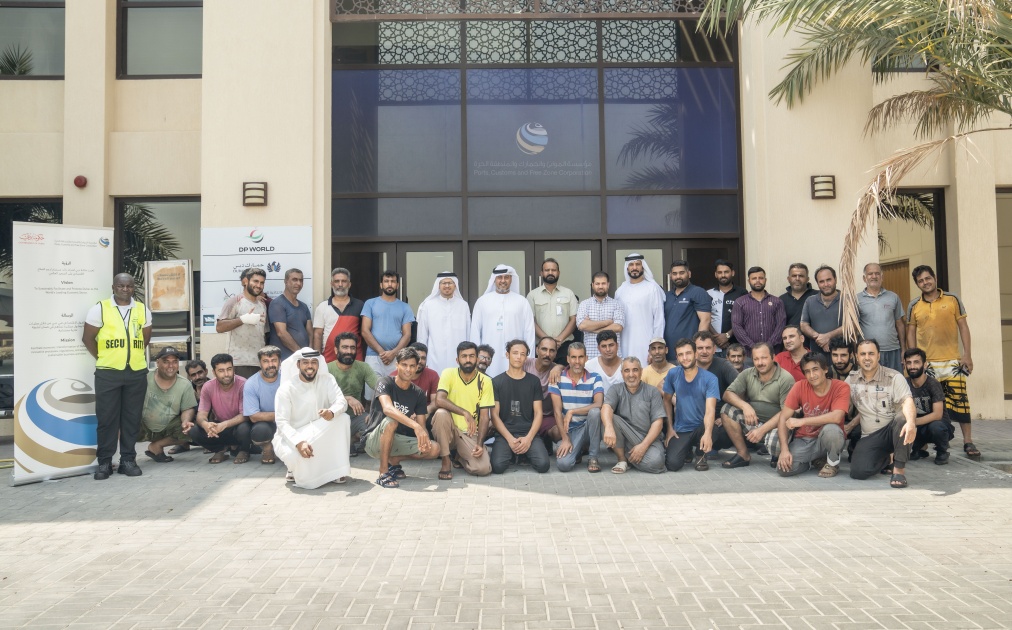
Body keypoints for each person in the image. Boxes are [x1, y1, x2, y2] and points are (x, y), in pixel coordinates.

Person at [82, 273, 152, 480]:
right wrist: (105, 357)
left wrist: (130, 357)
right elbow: (87, 339)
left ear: (133, 288)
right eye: (121, 286)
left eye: (129, 286)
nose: (125, 289)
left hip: (136, 372)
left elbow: (145, 339)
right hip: (108, 373)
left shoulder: (142, 310)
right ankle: (104, 462)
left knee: (132, 419)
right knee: (107, 420)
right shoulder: (100, 309)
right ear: (113, 287)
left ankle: (128, 461)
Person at [905, 265, 977, 459]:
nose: (925, 283)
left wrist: (967, 355)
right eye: (920, 281)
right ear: (917, 284)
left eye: (927, 278)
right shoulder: (914, 305)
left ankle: (968, 441)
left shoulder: (953, 299)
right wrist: (914, 360)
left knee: (961, 402)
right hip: (927, 365)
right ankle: (923, 445)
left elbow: (963, 326)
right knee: (925, 405)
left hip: (953, 362)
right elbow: (910, 332)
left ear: (934, 278)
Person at [662, 338, 749, 471]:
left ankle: (700, 454)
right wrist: (669, 428)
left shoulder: (710, 378)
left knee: (713, 430)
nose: (685, 358)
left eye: (688, 353)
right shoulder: (673, 374)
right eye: (680, 355)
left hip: (702, 426)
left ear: (695, 354)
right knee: (672, 465)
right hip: (681, 428)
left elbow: (710, 410)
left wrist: (707, 434)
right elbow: (666, 400)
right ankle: (687, 450)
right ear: (677, 358)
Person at [272, 348, 351, 489]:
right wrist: (298, 442)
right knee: (292, 456)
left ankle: (336, 471)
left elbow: (342, 402)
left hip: (319, 429)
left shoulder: (327, 380)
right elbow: (282, 423)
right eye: (305, 363)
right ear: (298, 365)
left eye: (314, 362)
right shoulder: (286, 389)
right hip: (293, 436)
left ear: (318, 364)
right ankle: (293, 469)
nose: (310, 366)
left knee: (343, 418)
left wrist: (332, 412)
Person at [365, 347, 440, 488]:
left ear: (417, 367)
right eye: (404, 365)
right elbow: (387, 409)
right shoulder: (385, 382)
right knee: (391, 421)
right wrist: (415, 425)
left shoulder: (418, 393)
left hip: (397, 440)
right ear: (397, 365)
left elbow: (422, 426)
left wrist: (423, 439)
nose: (408, 369)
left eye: (412, 366)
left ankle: (394, 460)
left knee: (434, 448)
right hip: (374, 440)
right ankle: (383, 473)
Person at [846, 339, 917, 487]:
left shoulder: (894, 377)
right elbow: (840, 402)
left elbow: (907, 401)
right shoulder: (851, 380)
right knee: (858, 472)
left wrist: (911, 422)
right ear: (856, 357)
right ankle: (887, 458)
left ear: (878, 356)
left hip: (893, 430)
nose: (867, 358)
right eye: (863, 354)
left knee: (903, 419)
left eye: (871, 353)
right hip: (870, 436)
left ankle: (898, 470)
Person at [774, 352, 848, 478]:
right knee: (784, 470)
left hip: (827, 439)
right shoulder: (799, 386)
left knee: (832, 430)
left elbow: (837, 417)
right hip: (805, 439)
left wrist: (802, 421)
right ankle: (812, 461)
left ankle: (832, 463)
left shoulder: (841, 387)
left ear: (825, 369)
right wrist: (784, 450)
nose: (812, 375)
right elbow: (783, 417)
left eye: (815, 369)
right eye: (807, 371)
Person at [430, 342, 495, 477]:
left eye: (471, 356)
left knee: (483, 469)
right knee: (441, 413)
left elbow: (484, 416)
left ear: (476, 359)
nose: (468, 360)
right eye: (464, 356)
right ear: (457, 360)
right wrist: (464, 412)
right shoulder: (448, 373)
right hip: (449, 430)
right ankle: (446, 460)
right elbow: (439, 400)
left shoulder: (486, 381)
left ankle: (459, 456)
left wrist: (479, 444)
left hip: (470, 433)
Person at [720, 342, 795, 458]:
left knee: (775, 447)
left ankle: (776, 455)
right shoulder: (747, 373)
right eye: (756, 359)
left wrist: (761, 430)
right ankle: (743, 454)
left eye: (764, 358)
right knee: (726, 410)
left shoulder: (786, 378)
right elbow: (727, 394)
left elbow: (786, 412)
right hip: (754, 421)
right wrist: (745, 406)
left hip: (778, 425)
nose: (760, 363)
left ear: (773, 357)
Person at [490, 340, 551, 474]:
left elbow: (538, 413)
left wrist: (528, 439)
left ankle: (523, 453)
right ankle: (515, 453)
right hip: (505, 433)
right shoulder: (496, 381)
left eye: (522, 354)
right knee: (498, 466)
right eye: (515, 353)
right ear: (507, 355)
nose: (518, 357)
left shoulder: (534, 381)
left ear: (526, 358)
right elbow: (494, 415)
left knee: (543, 465)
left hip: (528, 432)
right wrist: (510, 439)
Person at [601, 357, 667, 474]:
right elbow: (607, 407)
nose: (631, 375)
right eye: (627, 370)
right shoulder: (616, 389)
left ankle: (630, 457)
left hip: (648, 439)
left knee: (657, 462)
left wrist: (643, 447)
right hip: (625, 436)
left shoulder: (652, 391)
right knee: (609, 418)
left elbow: (658, 423)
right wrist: (609, 428)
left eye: (635, 370)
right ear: (622, 373)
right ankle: (622, 459)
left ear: (641, 371)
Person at [549, 342, 605, 473]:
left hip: (588, 427)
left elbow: (599, 404)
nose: (577, 361)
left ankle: (593, 457)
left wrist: (572, 411)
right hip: (570, 430)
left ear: (586, 358)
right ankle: (578, 449)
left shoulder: (595, 378)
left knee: (595, 412)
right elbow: (557, 412)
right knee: (564, 465)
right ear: (568, 359)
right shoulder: (557, 379)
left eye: (581, 357)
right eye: (573, 357)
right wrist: (565, 439)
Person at [470, 265, 535, 376]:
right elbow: (475, 332)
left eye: (506, 277)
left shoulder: (522, 302)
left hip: (516, 356)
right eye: (499, 277)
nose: (503, 280)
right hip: (488, 357)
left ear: (511, 279)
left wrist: (528, 358)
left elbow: (529, 332)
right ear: (494, 279)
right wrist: (476, 356)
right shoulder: (482, 301)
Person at [139, 347, 196, 463]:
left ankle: (157, 446)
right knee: (121, 421)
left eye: (174, 362)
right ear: (157, 363)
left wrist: (186, 421)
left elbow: (188, 408)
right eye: (166, 362)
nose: (171, 366)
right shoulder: (144, 378)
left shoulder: (185, 384)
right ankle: (127, 456)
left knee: (192, 429)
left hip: (168, 428)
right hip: (142, 426)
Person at [188, 354, 248, 464]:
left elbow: (245, 415)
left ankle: (243, 450)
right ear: (214, 372)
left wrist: (224, 424)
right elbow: (201, 414)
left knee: (245, 428)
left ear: (233, 369)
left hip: (238, 426)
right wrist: (206, 425)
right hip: (219, 427)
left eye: (229, 369)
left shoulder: (243, 384)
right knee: (194, 430)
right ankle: (220, 450)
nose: (226, 374)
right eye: (221, 371)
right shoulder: (208, 386)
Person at [904, 347, 954, 465]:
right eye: (909, 363)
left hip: (938, 425)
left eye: (916, 362)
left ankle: (942, 451)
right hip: (918, 426)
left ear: (925, 365)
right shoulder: (904, 383)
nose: (912, 366)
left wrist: (912, 422)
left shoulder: (933, 384)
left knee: (936, 427)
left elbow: (937, 415)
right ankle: (918, 449)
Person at [215, 266, 268, 378]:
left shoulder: (262, 305)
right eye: (255, 281)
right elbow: (219, 327)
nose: (259, 285)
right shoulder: (234, 301)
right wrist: (242, 320)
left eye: (262, 283)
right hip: (239, 362)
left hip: (258, 362)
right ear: (245, 281)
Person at [362, 270, 414, 380]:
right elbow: (365, 331)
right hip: (374, 356)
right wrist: (382, 352)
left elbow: (407, 335)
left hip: (397, 358)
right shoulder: (370, 303)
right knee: (373, 389)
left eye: (393, 281)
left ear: (397, 285)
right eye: (386, 281)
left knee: (394, 389)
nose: (390, 284)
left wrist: (393, 353)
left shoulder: (405, 307)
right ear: (381, 285)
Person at [416, 272, 471, 376]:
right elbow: (422, 335)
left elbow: (468, 333)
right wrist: (422, 358)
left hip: (458, 357)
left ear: (455, 285)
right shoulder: (428, 306)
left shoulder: (463, 306)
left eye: (450, 283)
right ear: (438, 285)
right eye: (443, 283)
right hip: (434, 357)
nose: (447, 286)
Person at [857, 263, 906, 371]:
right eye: (870, 274)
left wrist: (903, 349)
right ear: (864, 278)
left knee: (895, 380)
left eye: (877, 273)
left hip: (893, 350)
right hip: (869, 353)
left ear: (882, 277)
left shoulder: (893, 297)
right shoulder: (856, 299)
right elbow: (853, 329)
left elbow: (900, 324)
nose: (874, 276)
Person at [615, 253, 665, 361]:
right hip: (625, 342)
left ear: (643, 267)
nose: (634, 267)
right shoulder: (620, 291)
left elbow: (659, 320)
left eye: (637, 264)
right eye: (631, 264)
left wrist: (655, 348)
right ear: (627, 268)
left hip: (646, 343)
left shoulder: (652, 288)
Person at [237, 346, 282, 465]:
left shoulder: (287, 378)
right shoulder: (251, 383)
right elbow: (254, 416)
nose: (270, 365)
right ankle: (267, 448)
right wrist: (282, 414)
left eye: (274, 360)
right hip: (266, 423)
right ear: (260, 363)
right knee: (259, 430)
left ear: (280, 362)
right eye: (266, 361)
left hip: (287, 421)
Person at [527, 259, 578, 363]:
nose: (550, 273)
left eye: (553, 270)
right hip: (541, 346)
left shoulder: (568, 293)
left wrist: (560, 339)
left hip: (564, 345)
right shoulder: (532, 295)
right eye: (547, 270)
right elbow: (531, 321)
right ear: (541, 273)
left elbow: (573, 319)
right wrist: (547, 341)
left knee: (564, 373)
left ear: (558, 273)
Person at [313, 267, 366, 363]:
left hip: (354, 359)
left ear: (349, 284)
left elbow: (365, 332)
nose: (340, 284)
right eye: (337, 281)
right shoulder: (322, 306)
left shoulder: (360, 305)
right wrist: (317, 358)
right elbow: (317, 334)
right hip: (328, 359)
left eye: (344, 281)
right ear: (331, 284)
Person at [731, 266, 786, 357]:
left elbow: (781, 325)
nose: (757, 281)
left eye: (761, 278)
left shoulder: (777, 301)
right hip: (748, 354)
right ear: (749, 281)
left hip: (773, 352)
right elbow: (737, 327)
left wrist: (768, 346)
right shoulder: (740, 302)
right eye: (754, 278)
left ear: (765, 280)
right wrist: (752, 346)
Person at [662, 260, 711, 360]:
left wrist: (698, 347)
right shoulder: (666, 296)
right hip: (669, 350)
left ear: (689, 274)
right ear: (670, 276)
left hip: (689, 351)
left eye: (681, 273)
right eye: (674, 274)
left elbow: (705, 320)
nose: (678, 276)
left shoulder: (698, 292)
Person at [576, 271, 625, 359]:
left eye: (603, 283)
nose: (600, 286)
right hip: (590, 356)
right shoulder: (584, 304)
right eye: (597, 284)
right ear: (592, 285)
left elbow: (618, 327)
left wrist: (593, 328)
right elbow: (582, 325)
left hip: (613, 358)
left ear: (608, 285)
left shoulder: (617, 304)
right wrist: (608, 322)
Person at [523, 336, 563, 442]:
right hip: (524, 415)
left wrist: (559, 367)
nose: (547, 354)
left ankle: (545, 440)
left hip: (546, 416)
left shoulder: (556, 371)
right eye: (544, 349)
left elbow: (569, 369)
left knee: (559, 432)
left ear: (556, 353)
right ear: (537, 350)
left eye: (552, 351)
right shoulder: (525, 364)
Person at [268, 268, 313, 361]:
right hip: (285, 360)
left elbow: (310, 333)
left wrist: (309, 353)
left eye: (301, 280)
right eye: (294, 280)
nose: (298, 283)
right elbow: (281, 333)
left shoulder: (304, 306)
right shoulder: (277, 304)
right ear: (286, 281)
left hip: (303, 361)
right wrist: (300, 353)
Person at [800, 265, 843, 357]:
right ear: (817, 283)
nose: (826, 284)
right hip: (817, 356)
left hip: (841, 356)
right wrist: (820, 338)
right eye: (821, 281)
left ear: (835, 279)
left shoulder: (847, 300)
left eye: (829, 280)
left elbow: (852, 326)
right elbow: (803, 325)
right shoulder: (810, 301)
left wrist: (828, 336)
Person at [169, 359, 209, 455]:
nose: (197, 377)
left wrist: (201, 398)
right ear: (189, 376)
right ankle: (183, 443)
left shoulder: (215, 386)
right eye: (193, 375)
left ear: (206, 371)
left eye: (200, 373)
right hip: (191, 428)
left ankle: (210, 444)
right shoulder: (186, 389)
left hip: (210, 427)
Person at [707, 259, 747, 355]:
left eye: (726, 272)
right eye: (720, 272)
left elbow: (745, 317)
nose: (723, 275)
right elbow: (704, 318)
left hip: (735, 346)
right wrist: (717, 338)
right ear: (715, 274)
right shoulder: (708, 294)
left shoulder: (742, 293)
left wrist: (727, 335)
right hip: (713, 345)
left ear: (732, 273)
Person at [389, 342, 440, 415]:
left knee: (440, 413)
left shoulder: (433, 375)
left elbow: (435, 402)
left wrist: (421, 413)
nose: (420, 361)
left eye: (423, 358)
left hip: (425, 413)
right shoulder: (393, 376)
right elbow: (389, 405)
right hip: (400, 414)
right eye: (418, 357)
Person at [693, 331, 739, 397]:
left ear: (714, 349)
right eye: (700, 348)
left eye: (708, 348)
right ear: (693, 350)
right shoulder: (686, 367)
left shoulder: (724, 365)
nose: (704, 351)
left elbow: (741, 386)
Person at [779, 263, 818, 328]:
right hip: (790, 334)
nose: (797, 278)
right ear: (788, 279)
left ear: (807, 279)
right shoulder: (781, 300)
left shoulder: (818, 296)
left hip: (814, 334)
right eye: (794, 276)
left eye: (801, 276)